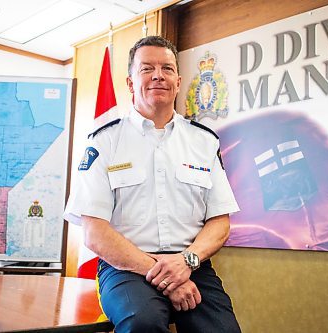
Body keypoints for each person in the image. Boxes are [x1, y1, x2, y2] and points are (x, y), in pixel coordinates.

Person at [63, 35, 241, 333]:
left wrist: (186, 262)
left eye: (167, 68)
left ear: (178, 80)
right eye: (147, 68)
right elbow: (94, 232)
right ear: (131, 83)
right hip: (125, 268)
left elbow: (219, 223)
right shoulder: (104, 141)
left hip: (192, 264)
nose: (158, 75)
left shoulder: (204, 141)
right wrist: (163, 273)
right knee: (142, 323)